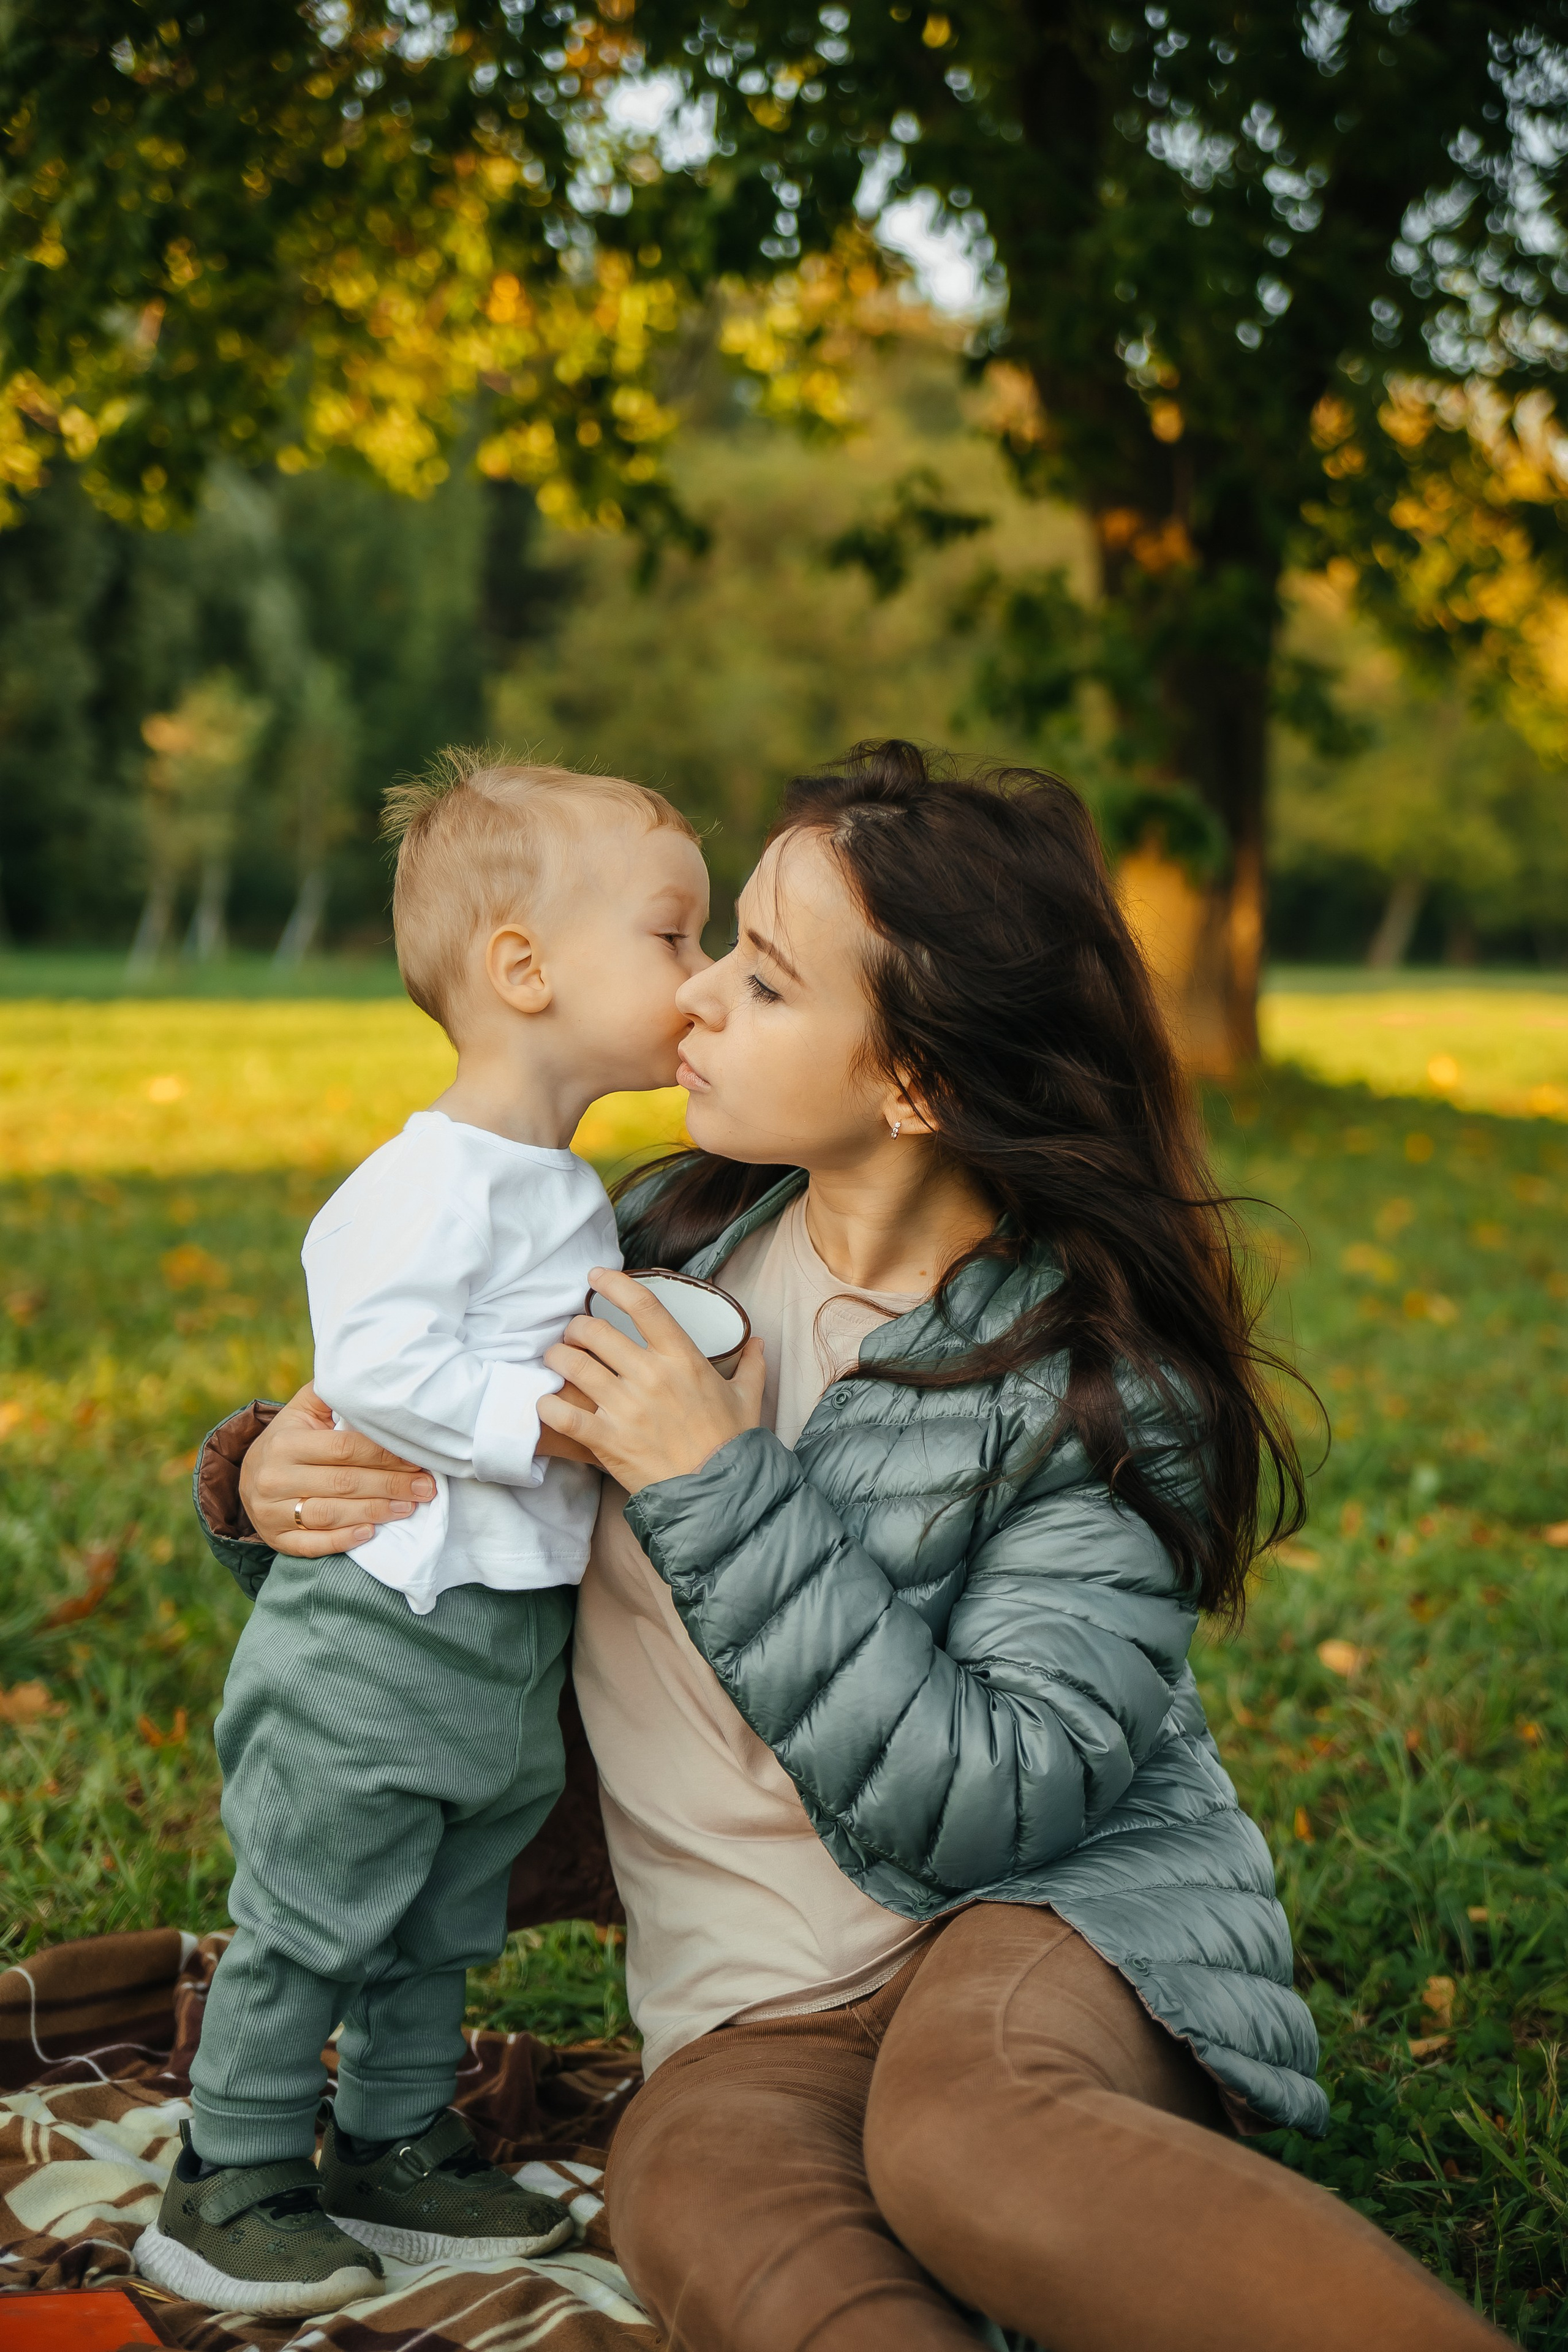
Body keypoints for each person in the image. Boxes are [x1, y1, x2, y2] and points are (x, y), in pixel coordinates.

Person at [206, 743, 1502, 2350]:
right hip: (741, 2012)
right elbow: (450, 1482)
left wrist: (716, 1482)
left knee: (963, 2139)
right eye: (714, 946)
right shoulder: (653, 1247)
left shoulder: (1090, 1388)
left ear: (916, 1086)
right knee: (708, 2209)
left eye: (761, 978)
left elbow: (1000, 1801)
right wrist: (268, 1476)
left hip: (1031, 1928)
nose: (693, 998)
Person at [138, 755, 710, 2317]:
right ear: (525, 969)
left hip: (493, 1648)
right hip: (375, 1643)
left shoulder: (552, 1183)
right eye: (672, 935)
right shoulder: (428, 1179)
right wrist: (549, 1419)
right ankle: (230, 2171)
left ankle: (392, 2144)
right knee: (316, 1914)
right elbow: (379, 1365)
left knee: (440, 1919)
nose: (700, 973)